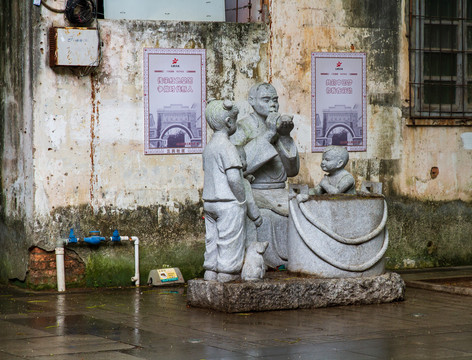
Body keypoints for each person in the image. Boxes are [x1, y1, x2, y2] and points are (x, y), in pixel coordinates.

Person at [230, 83, 299, 268]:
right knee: (278, 213)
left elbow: (292, 171)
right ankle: (270, 260)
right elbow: (238, 166)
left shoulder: (279, 125)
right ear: (252, 101)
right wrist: (269, 133)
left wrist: (285, 136)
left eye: (275, 100)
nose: (273, 105)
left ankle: (296, 259)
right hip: (256, 191)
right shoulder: (242, 128)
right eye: (266, 100)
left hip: (278, 190)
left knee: (302, 207)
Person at [202, 99, 246, 283]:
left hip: (210, 201)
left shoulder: (209, 147)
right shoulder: (227, 147)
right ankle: (227, 272)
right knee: (229, 239)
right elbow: (234, 178)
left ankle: (210, 271)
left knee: (212, 240)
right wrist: (241, 200)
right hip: (227, 202)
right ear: (229, 122)